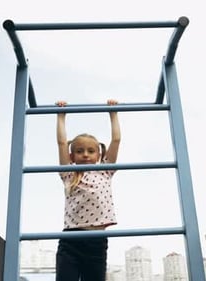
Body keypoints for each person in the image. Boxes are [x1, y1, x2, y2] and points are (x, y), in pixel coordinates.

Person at [55, 99, 121, 281]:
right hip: (71, 239)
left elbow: (116, 139)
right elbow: (61, 143)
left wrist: (113, 113)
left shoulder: (105, 171)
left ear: (99, 155)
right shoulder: (68, 174)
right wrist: (61, 116)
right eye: (80, 151)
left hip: (96, 241)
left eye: (91, 151)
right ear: (72, 156)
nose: (85, 154)